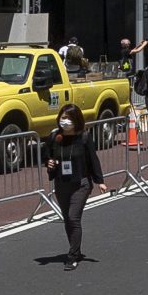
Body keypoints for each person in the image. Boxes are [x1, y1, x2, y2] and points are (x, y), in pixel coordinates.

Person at [40, 105, 107, 266]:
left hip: (81, 183)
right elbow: (46, 155)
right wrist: (49, 162)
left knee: (73, 217)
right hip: (61, 183)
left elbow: (93, 159)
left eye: (69, 118)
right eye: (63, 118)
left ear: (76, 120)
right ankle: (75, 249)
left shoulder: (83, 137)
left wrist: (99, 181)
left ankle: (73, 256)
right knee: (67, 219)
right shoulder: (55, 136)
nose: (65, 121)